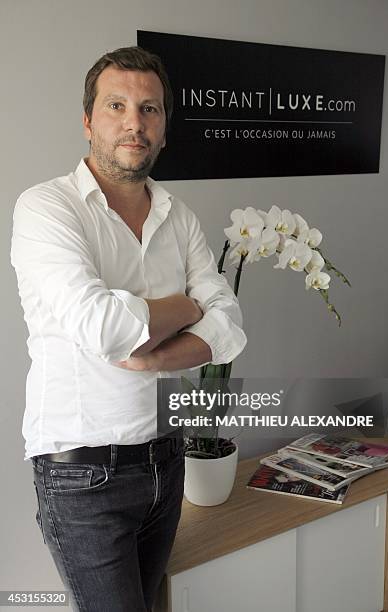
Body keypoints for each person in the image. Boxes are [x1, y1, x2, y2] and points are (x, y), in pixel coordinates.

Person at [10, 46, 246, 612]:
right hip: (83, 476)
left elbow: (230, 325)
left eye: (150, 109)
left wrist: (159, 356)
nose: (134, 123)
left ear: (165, 128)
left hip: (166, 460)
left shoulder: (178, 215)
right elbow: (105, 327)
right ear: (89, 120)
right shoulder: (47, 208)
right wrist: (187, 305)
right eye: (117, 105)